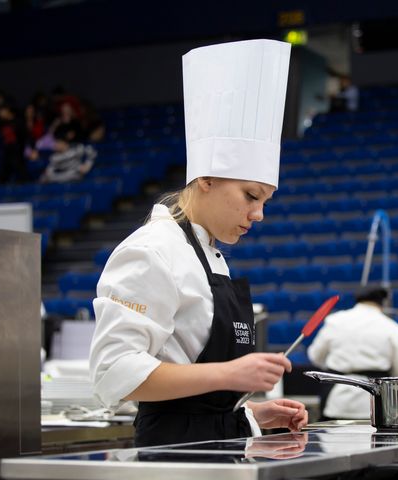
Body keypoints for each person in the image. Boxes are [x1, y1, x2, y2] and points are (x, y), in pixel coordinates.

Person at [89, 39, 308, 447]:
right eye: (251, 195)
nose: (258, 214)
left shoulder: (212, 256)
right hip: (171, 455)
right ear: (206, 179)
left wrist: (251, 416)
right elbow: (113, 372)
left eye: (264, 201)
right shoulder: (152, 251)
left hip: (217, 447)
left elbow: (196, 399)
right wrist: (230, 374)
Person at [307, 286, 398, 419]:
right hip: (375, 401)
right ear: (383, 303)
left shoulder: (335, 321)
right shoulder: (393, 328)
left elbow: (315, 355)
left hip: (337, 399)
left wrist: (335, 369)